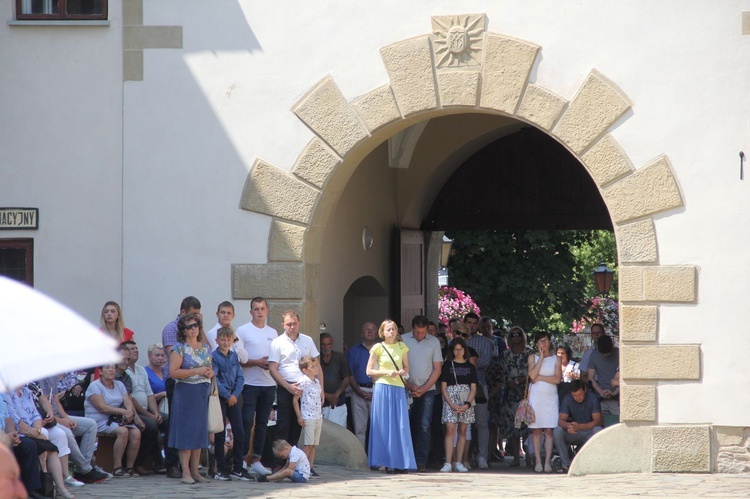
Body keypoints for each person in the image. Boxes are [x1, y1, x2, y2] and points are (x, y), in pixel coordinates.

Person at [32, 377, 109, 484]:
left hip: (58, 417)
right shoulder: (34, 380)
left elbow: (55, 401)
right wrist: (60, 421)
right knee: (66, 433)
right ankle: (86, 469)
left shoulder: (51, 377)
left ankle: (82, 470)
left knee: (90, 425)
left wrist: (66, 418)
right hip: (46, 421)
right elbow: (39, 410)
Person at [365, 319, 416, 473]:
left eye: (393, 329)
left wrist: (402, 372)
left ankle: (400, 462)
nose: (391, 332)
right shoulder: (377, 347)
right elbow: (369, 371)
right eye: (388, 329)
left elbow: (407, 367)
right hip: (382, 388)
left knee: (400, 425)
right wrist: (387, 372)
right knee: (383, 425)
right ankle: (385, 461)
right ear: (382, 332)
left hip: (398, 388)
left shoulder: (402, 347)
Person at [168, 313, 213, 484]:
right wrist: (197, 370)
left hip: (202, 392)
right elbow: (173, 372)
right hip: (185, 392)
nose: (193, 329)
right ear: (183, 330)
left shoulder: (205, 348)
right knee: (186, 432)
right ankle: (185, 472)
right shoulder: (178, 348)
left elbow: (210, 367)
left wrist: (210, 371)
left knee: (198, 432)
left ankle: (196, 471)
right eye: (189, 326)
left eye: (196, 325)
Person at [269, 310, 323, 454]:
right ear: (283, 325)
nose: (292, 327)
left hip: (305, 389)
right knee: (283, 425)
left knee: (298, 426)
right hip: (286, 387)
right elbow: (273, 368)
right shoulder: (277, 343)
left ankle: (296, 463)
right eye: (288, 324)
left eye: (294, 323)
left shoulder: (307, 340)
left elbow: (317, 365)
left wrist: (321, 390)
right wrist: (288, 386)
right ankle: (278, 464)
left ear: (299, 323)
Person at [161, 296, 202, 478]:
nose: (196, 322)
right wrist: (196, 367)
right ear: (183, 312)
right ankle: (172, 464)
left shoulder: (197, 331)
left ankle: (193, 468)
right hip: (177, 382)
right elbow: (175, 360)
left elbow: (205, 350)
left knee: (195, 425)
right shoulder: (171, 328)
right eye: (194, 315)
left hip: (198, 385)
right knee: (177, 423)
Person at [235, 296, 276, 476]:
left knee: (262, 423)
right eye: (256, 309)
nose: (259, 312)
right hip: (249, 384)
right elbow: (239, 359)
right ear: (251, 312)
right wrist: (256, 362)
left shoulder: (273, 332)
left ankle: (257, 460)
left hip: (269, 384)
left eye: (262, 308)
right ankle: (242, 459)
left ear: (267, 311)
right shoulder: (243, 331)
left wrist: (270, 364)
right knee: (246, 422)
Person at [84, 363, 142, 478]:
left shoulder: (119, 384)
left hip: (116, 419)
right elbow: (102, 407)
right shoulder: (95, 386)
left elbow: (128, 401)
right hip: (98, 420)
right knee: (123, 431)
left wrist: (129, 412)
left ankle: (130, 467)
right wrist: (123, 412)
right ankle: (117, 467)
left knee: (136, 433)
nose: (111, 370)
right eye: (107, 368)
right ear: (100, 371)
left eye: (113, 368)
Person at [487, 325, 533, 467]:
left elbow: (532, 372)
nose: (516, 337)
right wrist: (515, 387)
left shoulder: (529, 353)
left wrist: (523, 388)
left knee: (527, 426)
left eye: (519, 334)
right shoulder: (505, 355)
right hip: (511, 394)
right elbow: (504, 375)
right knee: (514, 427)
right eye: (513, 335)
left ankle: (529, 457)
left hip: (527, 393)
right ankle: (516, 458)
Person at [401, 315, 442, 472]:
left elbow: (437, 368)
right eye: (417, 332)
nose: (420, 335)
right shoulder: (403, 340)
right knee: (406, 424)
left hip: (428, 390)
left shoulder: (434, 342)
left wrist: (424, 388)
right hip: (406, 389)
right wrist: (409, 385)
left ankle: (420, 461)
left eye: (423, 332)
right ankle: (406, 459)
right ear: (413, 328)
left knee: (424, 426)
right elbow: (398, 365)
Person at [211, 327, 251, 482]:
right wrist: (227, 395)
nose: (225, 342)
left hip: (234, 397)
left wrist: (234, 395)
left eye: (228, 339)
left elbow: (240, 377)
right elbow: (215, 378)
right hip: (220, 396)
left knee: (239, 432)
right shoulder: (214, 357)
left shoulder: (234, 357)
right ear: (217, 340)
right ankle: (220, 469)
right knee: (220, 434)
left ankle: (238, 468)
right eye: (222, 339)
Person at [123, 341, 166, 475]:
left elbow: (149, 394)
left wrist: (156, 412)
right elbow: (131, 398)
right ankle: (140, 462)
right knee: (152, 426)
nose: (135, 350)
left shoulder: (141, 370)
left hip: (147, 410)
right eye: (131, 349)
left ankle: (170, 460)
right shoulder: (123, 372)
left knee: (169, 420)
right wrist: (149, 416)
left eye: (136, 348)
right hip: (134, 411)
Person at [439, 337, 477, 473]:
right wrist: (450, 404)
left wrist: (467, 403)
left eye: (461, 349)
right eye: (456, 349)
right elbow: (443, 387)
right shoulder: (448, 365)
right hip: (450, 399)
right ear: (452, 351)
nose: (458, 352)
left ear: (464, 350)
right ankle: (448, 462)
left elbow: (473, 387)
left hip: (466, 399)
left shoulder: (470, 366)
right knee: (450, 430)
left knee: (462, 431)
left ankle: (459, 461)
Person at [527, 331, 561, 473]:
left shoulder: (556, 359)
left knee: (549, 430)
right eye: (540, 341)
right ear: (536, 344)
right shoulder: (532, 358)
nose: (544, 344)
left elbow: (557, 379)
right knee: (536, 430)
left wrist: (540, 377)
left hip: (550, 398)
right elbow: (532, 376)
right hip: (536, 398)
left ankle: (547, 461)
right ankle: (538, 461)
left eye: (545, 341)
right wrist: (540, 358)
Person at [553, 380, 603, 473]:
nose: (578, 398)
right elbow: (560, 421)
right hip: (574, 431)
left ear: (585, 390)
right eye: (575, 396)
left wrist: (581, 427)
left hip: (589, 431)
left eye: (580, 394)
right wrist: (568, 426)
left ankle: (594, 463)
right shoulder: (568, 398)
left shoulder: (592, 397)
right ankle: (566, 464)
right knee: (557, 431)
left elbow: (597, 421)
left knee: (598, 430)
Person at [0, 393, 42, 498]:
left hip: (4, 436)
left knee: (28, 445)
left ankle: (31, 489)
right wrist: (6, 438)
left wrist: (13, 435)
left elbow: (7, 419)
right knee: (7, 448)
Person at [465, 313, 494, 469]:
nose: (472, 326)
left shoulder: (485, 341)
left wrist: (465, 362)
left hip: (480, 385)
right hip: (461, 387)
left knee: (481, 423)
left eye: (475, 323)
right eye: (469, 322)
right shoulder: (458, 340)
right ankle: (465, 456)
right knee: (463, 423)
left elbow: (484, 361)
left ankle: (482, 456)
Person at [347, 322, 377, 450]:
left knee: (378, 428)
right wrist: (358, 391)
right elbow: (349, 374)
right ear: (362, 333)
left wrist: (376, 391)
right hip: (358, 390)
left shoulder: (382, 350)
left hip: (377, 391)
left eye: (373, 329)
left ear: (377, 333)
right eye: (367, 329)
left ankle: (378, 460)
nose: (370, 332)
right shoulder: (353, 351)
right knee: (359, 429)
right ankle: (361, 461)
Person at [293, 356, 323, 478]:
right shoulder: (303, 382)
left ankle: (310, 467)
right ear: (305, 370)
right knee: (308, 444)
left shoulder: (317, 382)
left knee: (314, 444)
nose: (316, 369)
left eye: (316, 366)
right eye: (312, 367)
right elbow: (295, 400)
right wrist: (299, 416)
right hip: (308, 416)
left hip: (318, 416)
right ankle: (302, 466)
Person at [319, 332, 350, 428]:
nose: (326, 347)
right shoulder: (316, 359)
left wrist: (336, 394)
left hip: (338, 402)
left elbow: (346, 378)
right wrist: (326, 395)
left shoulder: (339, 357)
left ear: (331, 345)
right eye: (323, 344)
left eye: (328, 344)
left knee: (340, 432)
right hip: (321, 402)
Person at [587, 334, 620, 417]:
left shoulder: (619, 354)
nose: (606, 355)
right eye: (603, 353)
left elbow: (625, 377)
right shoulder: (594, 355)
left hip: (618, 398)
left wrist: (614, 392)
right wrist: (601, 392)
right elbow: (591, 378)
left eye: (608, 352)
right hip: (601, 399)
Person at [143, 344, 168, 415]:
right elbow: (144, 397)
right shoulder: (144, 372)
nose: (160, 358)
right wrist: (162, 394)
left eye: (162, 355)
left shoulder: (166, 371)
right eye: (157, 355)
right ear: (149, 356)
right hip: (153, 409)